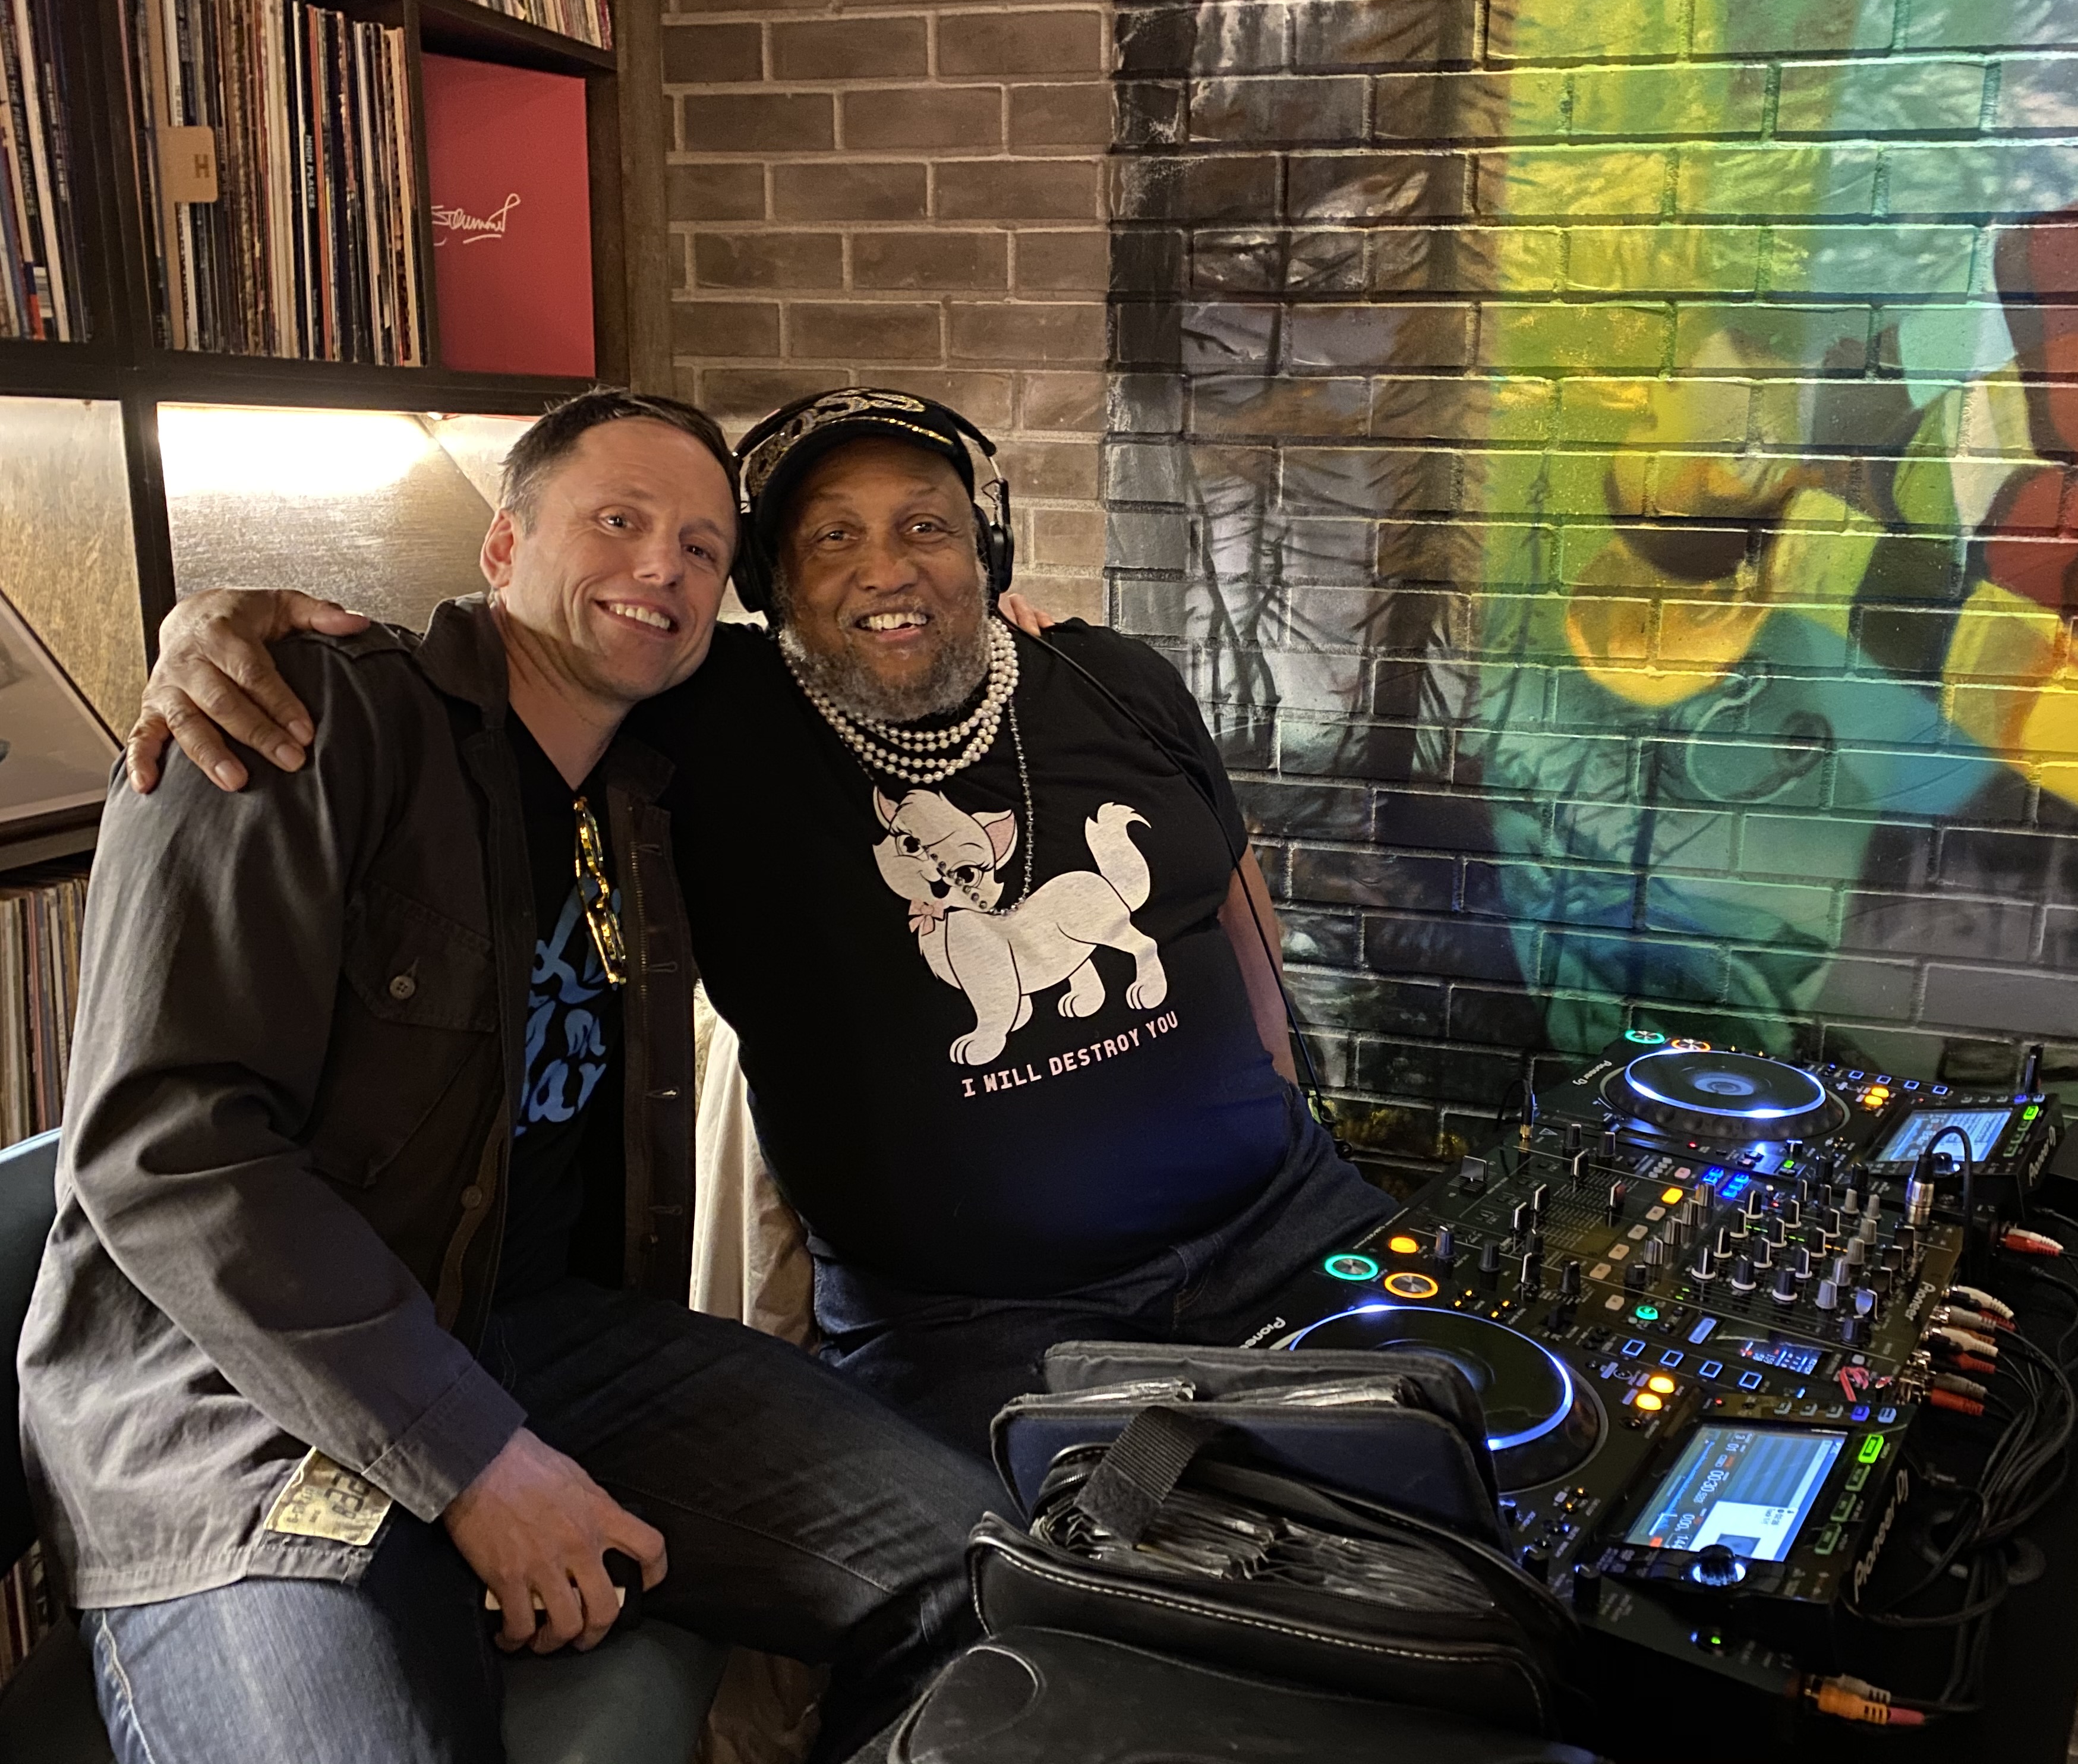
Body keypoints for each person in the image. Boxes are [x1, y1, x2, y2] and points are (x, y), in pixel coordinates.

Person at [132, 386, 1397, 1461]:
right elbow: (523, 655)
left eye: (926, 527)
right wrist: (221, 626)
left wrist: (1284, 1115)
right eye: (832, 538)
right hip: (974, 1327)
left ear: (990, 553)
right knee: (1068, 1615)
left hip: (1282, 1234)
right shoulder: (707, 718)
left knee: (1474, 1483)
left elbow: (1237, 921)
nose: (888, 568)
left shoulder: (1114, 678)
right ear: (770, 591)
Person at [24, 390, 994, 1764]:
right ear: (501, 546)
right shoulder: (298, 720)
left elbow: (893, 643)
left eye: (703, 549)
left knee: (993, 1574)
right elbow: (167, 1152)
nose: (662, 567)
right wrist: (473, 1456)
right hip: (237, 1395)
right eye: (619, 520)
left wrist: (1022, 649)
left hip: (538, 1337)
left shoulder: (650, 774)